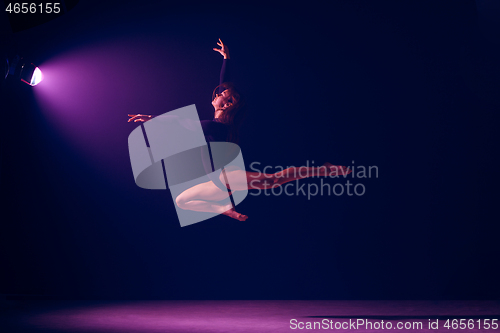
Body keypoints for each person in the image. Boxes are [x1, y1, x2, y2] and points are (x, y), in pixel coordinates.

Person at [128, 39, 351, 221]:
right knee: (181, 201)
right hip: (215, 182)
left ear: (226, 105)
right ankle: (224, 209)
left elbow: (182, 123)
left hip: (226, 176)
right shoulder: (223, 121)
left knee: (272, 181)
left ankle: (323, 170)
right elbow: (225, 83)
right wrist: (227, 59)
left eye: (221, 96)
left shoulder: (216, 126)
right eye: (219, 93)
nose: (216, 95)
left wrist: (154, 118)